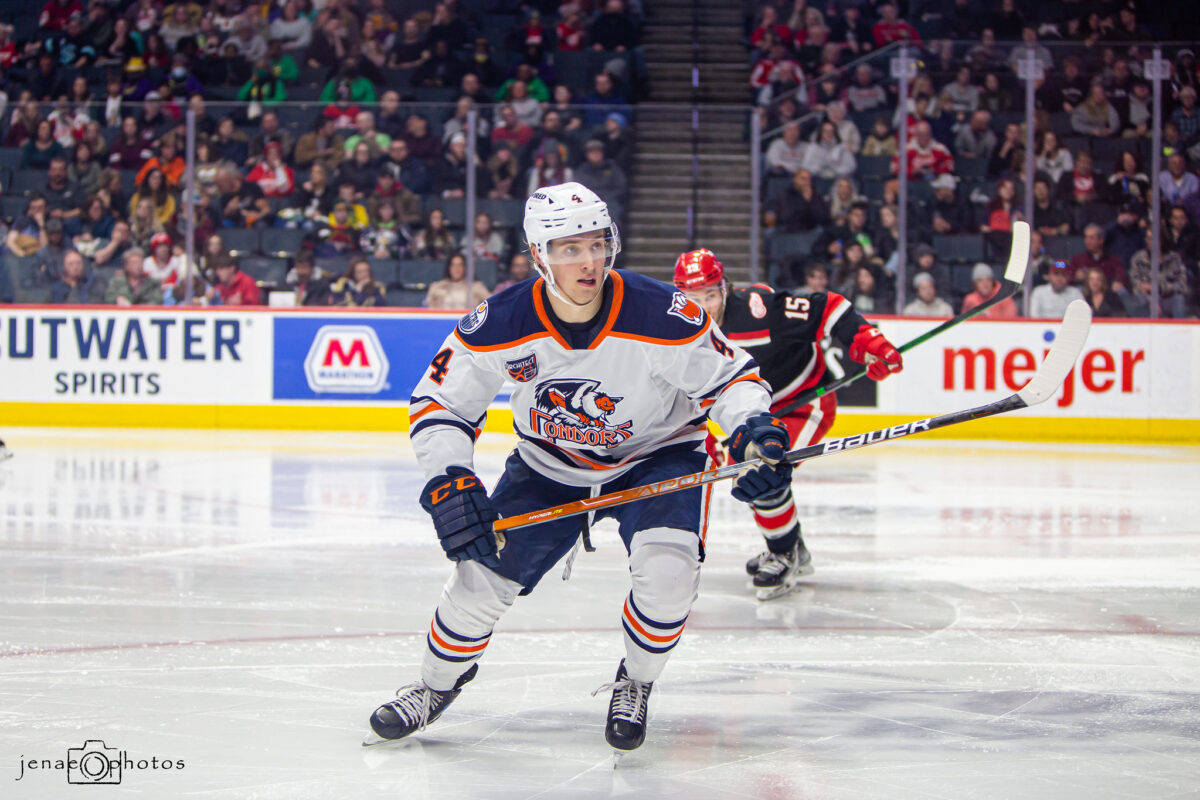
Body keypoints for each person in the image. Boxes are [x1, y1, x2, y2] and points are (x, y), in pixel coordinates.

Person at [367, 182, 792, 752]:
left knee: (668, 577)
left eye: (596, 243)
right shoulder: (499, 321)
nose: (588, 261)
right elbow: (440, 402)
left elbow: (732, 378)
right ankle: (433, 686)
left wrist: (753, 435)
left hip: (656, 458)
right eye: (569, 249)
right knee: (477, 582)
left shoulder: (665, 312)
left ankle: (636, 683)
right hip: (548, 465)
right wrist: (449, 478)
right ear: (539, 255)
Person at [673, 248, 903, 599]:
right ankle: (793, 547)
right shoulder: (676, 331)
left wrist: (866, 341)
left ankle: (784, 552)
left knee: (760, 468)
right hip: (748, 415)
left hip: (801, 403)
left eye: (710, 295)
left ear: (725, 288)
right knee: (752, 468)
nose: (703, 307)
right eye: (692, 298)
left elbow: (829, 307)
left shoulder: (758, 310)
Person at [424, 253, 491, 309]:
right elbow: (429, 308)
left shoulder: (476, 287)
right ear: (449, 268)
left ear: (465, 268)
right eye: (453, 265)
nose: (457, 269)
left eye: (460, 265)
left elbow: (491, 303)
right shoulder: (437, 287)